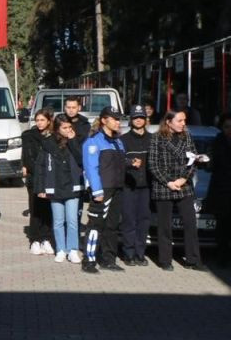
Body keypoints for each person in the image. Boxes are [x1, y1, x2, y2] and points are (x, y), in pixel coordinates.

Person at [148, 110, 208, 271]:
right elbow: (153, 164)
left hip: (184, 185)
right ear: (168, 122)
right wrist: (168, 182)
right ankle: (165, 260)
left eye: (185, 120)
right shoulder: (156, 138)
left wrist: (182, 179)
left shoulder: (186, 136)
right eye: (180, 120)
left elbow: (193, 160)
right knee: (164, 226)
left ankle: (193, 259)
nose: (183, 123)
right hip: (163, 185)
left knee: (190, 223)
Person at [33, 116, 85, 264]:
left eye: (70, 127)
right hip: (55, 186)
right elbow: (41, 166)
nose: (68, 130)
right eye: (65, 128)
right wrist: (40, 188)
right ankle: (61, 249)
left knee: (72, 220)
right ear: (57, 129)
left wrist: (73, 140)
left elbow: (81, 159)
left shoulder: (76, 141)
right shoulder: (48, 143)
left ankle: (73, 250)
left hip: (72, 186)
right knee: (58, 221)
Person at [81, 107, 127, 273]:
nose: (117, 122)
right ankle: (89, 261)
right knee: (95, 225)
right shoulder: (93, 141)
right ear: (103, 120)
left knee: (112, 226)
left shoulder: (118, 141)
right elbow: (91, 168)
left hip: (117, 189)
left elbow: (118, 164)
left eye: (118, 119)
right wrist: (97, 191)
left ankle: (108, 259)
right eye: (114, 119)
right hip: (103, 190)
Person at [118, 105, 153, 266]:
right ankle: (128, 253)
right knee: (129, 221)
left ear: (145, 120)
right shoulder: (123, 140)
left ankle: (140, 253)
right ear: (131, 120)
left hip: (146, 186)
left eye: (141, 117)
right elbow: (117, 162)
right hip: (128, 186)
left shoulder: (153, 139)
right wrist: (129, 163)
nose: (138, 120)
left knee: (144, 221)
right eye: (135, 117)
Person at [22, 109, 55, 256]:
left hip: (50, 178)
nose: (40, 123)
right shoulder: (29, 136)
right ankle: (35, 240)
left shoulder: (54, 136)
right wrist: (35, 171)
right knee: (35, 209)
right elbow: (27, 157)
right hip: (34, 177)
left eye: (43, 120)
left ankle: (46, 238)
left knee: (48, 209)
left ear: (49, 121)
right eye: (38, 120)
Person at [208, 113, 231, 266]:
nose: (230, 130)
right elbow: (212, 166)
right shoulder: (218, 142)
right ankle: (222, 257)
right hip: (222, 191)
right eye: (227, 127)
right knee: (222, 227)